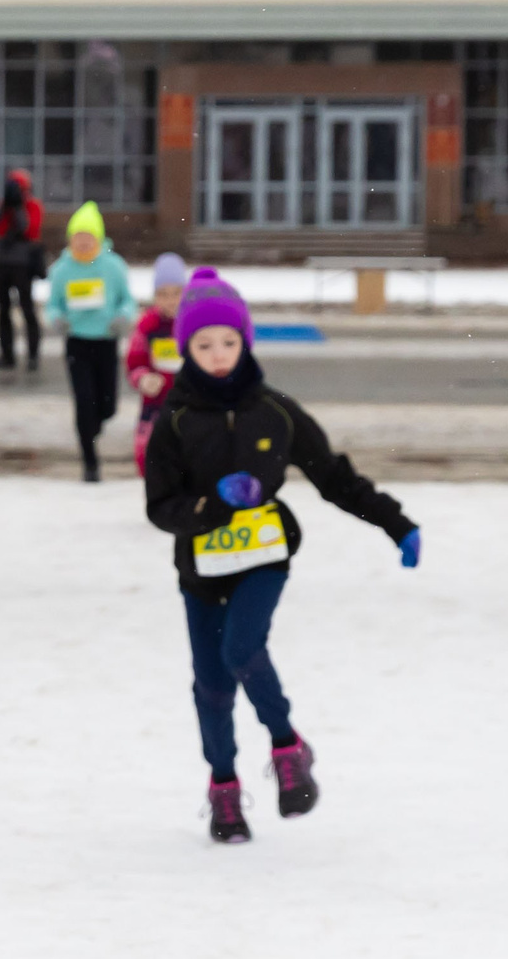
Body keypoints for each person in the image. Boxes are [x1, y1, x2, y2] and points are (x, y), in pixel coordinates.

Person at [144, 269, 421, 844]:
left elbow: (335, 479)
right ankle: (224, 789)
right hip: (201, 569)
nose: (217, 355)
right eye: (203, 344)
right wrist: (210, 508)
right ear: (186, 349)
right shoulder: (175, 420)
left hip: (264, 559)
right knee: (212, 686)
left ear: (245, 342)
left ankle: (287, 747)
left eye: (228, 341)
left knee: (242, 649)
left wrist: (395, 523)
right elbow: (160, 506)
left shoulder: (277, 411)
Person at [44, 201, 135, 481]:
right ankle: (90, 462)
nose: (83, 243)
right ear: (70, 240)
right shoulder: (62, 270)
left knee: (107, 406)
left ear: (98, 239)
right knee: (84, 403)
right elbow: (53, 305)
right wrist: (57, 319)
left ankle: (94, 425)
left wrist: (123, 316)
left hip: (106, 342)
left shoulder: (113, 266)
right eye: (78, 237)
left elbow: (127, 300)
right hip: (77, 344)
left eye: (88, 237)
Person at [126, 252, 190, 476]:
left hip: (190, 402)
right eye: (163, 294)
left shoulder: (194, 325)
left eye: (176, 293)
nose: (171, 300)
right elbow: (134, 362)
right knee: (149, 453)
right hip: (156, 403)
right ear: (154, 296)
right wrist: (143, 378)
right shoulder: (148, 326)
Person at [0, 167, 44, 375]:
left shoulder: (33, 206)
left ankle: (33, 354)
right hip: (3, 262)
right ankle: (7, 355)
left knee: (27, 309)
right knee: (3, 310)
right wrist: (6, 207)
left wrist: (18, 207)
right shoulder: (3, 205)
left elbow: (28, 229)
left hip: (23, 264)